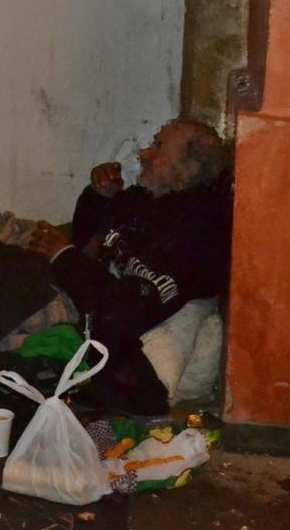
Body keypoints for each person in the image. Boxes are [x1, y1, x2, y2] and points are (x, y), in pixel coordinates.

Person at [26, 119, 233, 415]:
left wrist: (64, 257)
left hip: (70, 303)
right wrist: (100, 197)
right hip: (61, 279)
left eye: (158, 148)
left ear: (185, 174)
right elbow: (94, 241)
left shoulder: (192, 234)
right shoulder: (145, 198)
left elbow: (124, 308)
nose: (144, 154)